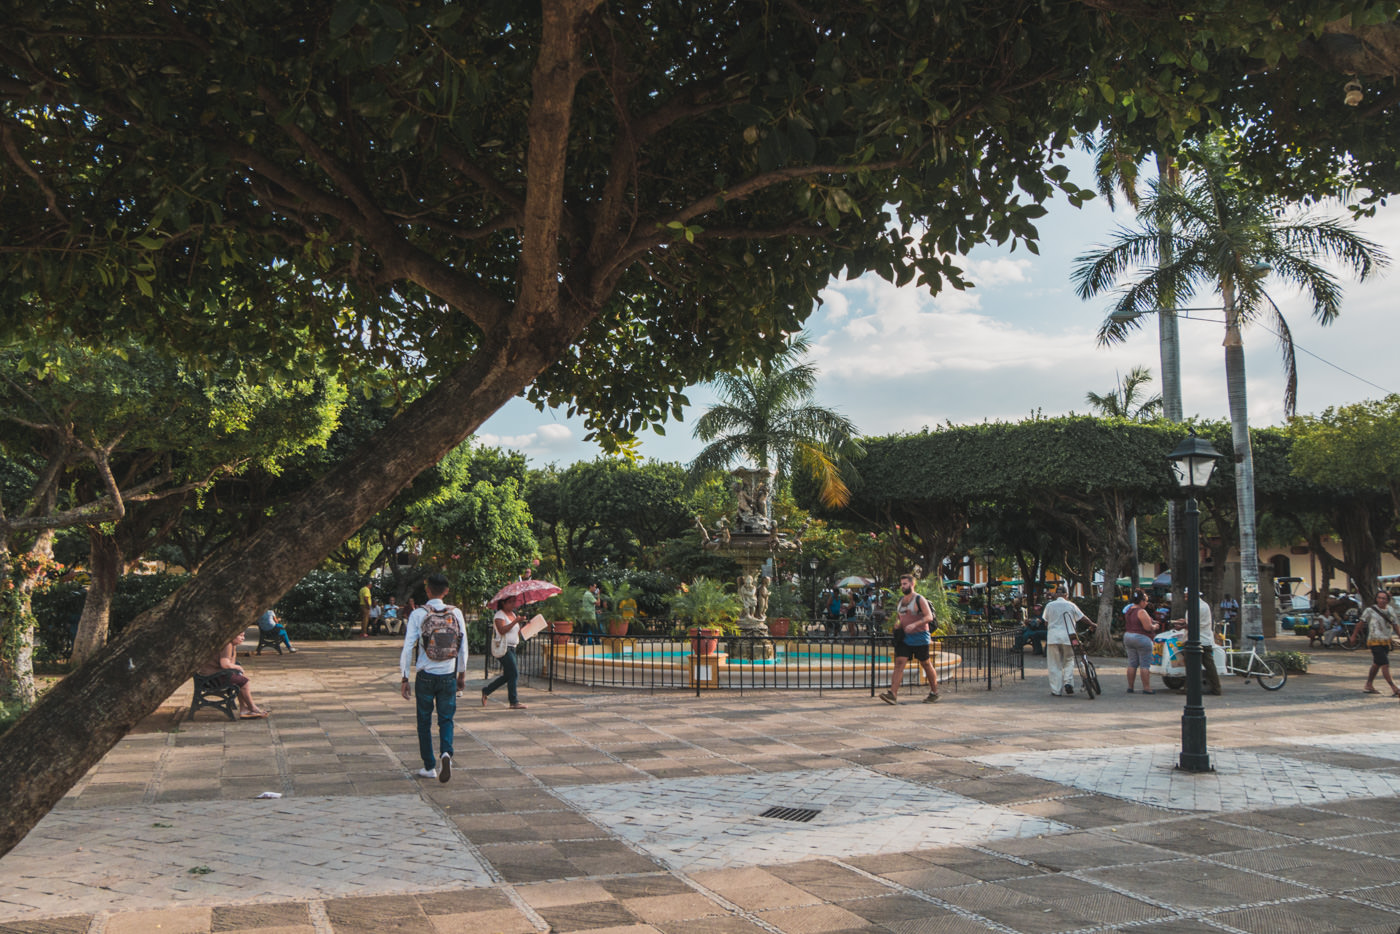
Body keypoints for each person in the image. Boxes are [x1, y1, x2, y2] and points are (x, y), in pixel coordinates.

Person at [399, 572, 468, 782]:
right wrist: (462, 675)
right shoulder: (456, 613)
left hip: (425, 676)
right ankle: (446, 753)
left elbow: (407, 647)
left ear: (427, 590)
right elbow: (463, 647)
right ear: (446, 591)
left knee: (424, 721)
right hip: (448, 675)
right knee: (446, 719)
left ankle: (429, 766)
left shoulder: (418, 614)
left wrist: (404, 678)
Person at [879, 574, 940, 704]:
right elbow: (900, 616)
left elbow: (929, 617)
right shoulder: (901, 601)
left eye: (905, 584)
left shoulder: (919, 599)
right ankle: (892, 694)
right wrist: (898, 624)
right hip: (905, 638)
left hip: (920, 637)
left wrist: (915, 624)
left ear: (912, 584)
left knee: (925, 664)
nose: (903, 586)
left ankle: (934, 692)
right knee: (899, 662)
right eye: (902, 584)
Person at [196, 632, 266, 719]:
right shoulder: (227, 645)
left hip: (212, 676)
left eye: (243, 635)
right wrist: (238, 667)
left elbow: (230, 663)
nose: (243, 638)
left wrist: (234, 650)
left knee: (240, 680)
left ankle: (244, 709)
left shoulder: (231, 645)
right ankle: (252, 707)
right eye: (240, 635)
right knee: (245, 682)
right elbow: (225, 664)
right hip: (211, 679)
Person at [482, 593, 527, 709]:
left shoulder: (512, 614)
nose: (513, 604)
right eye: (510, 602)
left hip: (513, 647)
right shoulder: (499, 615)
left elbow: (515, 632)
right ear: (503, 603)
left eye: (514, 601)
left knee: (508, 675)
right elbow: (502, 630)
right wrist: (515, 621)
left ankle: (487, 690)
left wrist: (524, 626)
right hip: (504, 647)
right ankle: (513, 701)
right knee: (514, 673)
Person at [1043, 585, 1090, 696]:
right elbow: (1082, 617)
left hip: (1053, 638)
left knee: (1054, 664)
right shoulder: (1071, 605)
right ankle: (1068, 682)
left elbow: (1045, 621)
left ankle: (1056, 690)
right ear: (1066, 595)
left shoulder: (1049, 605)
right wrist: (1092, 624)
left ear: (1056, 595)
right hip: (1069, 637)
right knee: (1069, 659)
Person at [1357, 590, 1400, 696]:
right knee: (1384, 664)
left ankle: (1369, 685)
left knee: (1377, 664)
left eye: (1383, 598)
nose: (1381, 600)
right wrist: (1354, 636)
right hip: (1374, 640)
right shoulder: (1370, 610)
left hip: (1386, 640)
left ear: (1387, 600)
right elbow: (1361, 622)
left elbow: (1395, 624)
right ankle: (1393, 687)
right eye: (1379, 598)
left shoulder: (1390, 610)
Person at [1122, 589, 1158, 694]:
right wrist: (1155, 626)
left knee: (1132, 663)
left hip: (1128, 636)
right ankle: (1147, 688)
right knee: (1144, 664)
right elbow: (1148, 627)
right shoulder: (1141, 611)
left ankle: (1130, 687)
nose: (1146, 603)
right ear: (1141, 601)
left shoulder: (1129, 610)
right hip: (1142, 638)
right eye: (1146, 601)